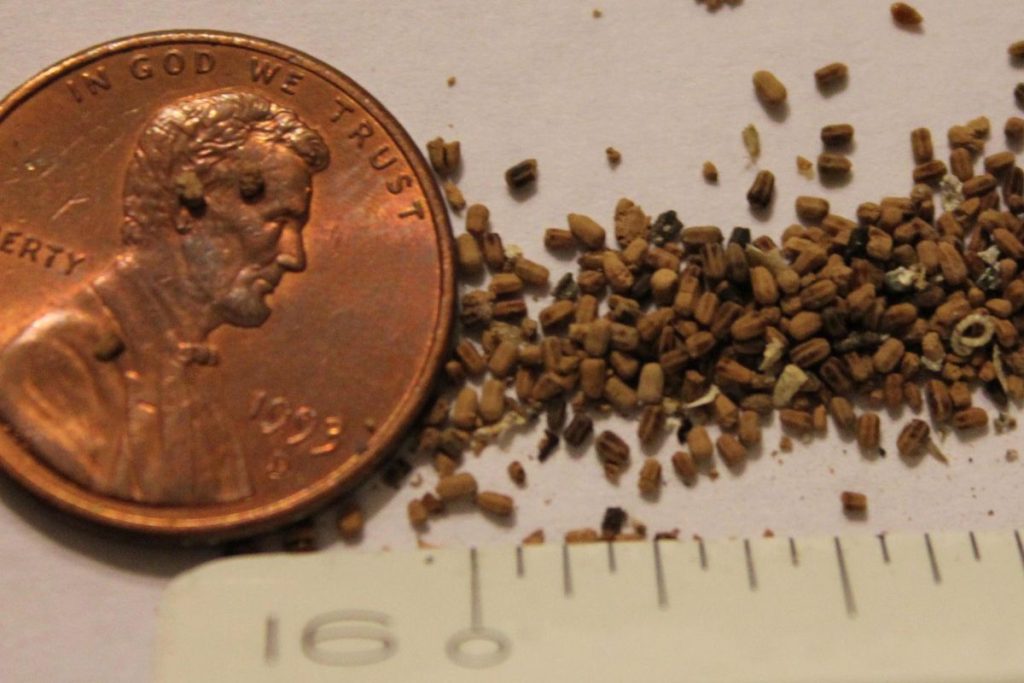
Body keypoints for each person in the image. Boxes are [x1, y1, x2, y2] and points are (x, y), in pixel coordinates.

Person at [0, 90, 330, 505]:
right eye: (275, 221)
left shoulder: (189, 372)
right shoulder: (53, 364)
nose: (293, 257)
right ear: (184, 207)